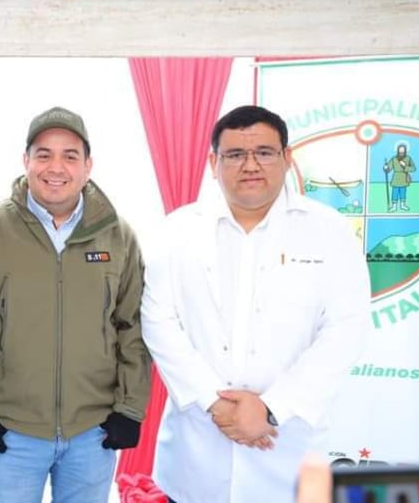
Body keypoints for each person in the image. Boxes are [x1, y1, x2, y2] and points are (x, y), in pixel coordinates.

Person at [141, 105, 372, 503]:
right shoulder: (176, 230)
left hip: (289, 455)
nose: (250, 165)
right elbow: (157, 321)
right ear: (214, 163)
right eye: (234, 155)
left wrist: (270, 409)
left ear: (287, 158)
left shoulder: (329, 231)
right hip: (196, 452)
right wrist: (214, 402)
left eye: (264, 152)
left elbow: (346, 329)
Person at [0, 106, 151, 503]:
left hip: (93, 434)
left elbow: (133, 325)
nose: (56, 167)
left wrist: (130, 407)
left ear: (88, 166)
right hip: (10, 433)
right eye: (44, 154)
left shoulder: (118, 237)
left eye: (70, 155)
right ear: (26, 161)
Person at [384, 143, 416, 212]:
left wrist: (405, 166)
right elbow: (388, 168)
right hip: (395, 178)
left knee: (403, 193)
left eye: (403, 151)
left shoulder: (408, 158)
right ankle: (394, 206)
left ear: (405, 151)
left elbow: (413, 168)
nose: (401, 153)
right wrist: (386, 168)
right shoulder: (394, 159)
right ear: (398, 151)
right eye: (400, 151)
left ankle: (403, 205)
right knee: (394, 193)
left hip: (404, 178)